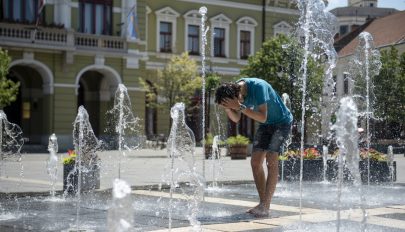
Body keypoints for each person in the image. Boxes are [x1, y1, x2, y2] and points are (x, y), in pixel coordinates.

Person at [214, 77, 293, 217]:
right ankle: (263, 204)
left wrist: (238, 106)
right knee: (255, 162)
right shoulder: (235, 93)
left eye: (232, 103)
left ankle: (265, 206)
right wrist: (228, 109)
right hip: (266, 125)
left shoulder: (258, 87)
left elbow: (262, 116)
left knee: (271, 160)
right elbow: (236, 118)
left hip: (282, 123)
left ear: (236, 95)